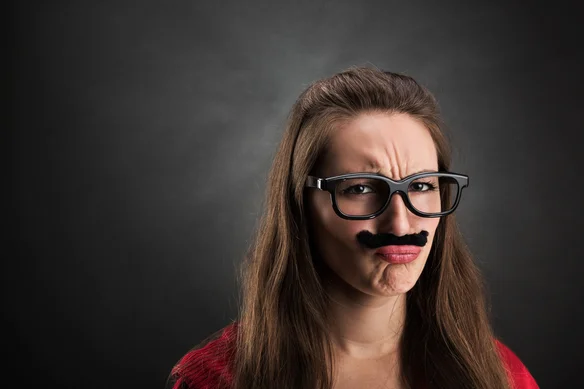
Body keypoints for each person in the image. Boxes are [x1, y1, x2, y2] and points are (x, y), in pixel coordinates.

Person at [165, 66, 539, 389]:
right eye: (360, 188)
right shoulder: (216, 380)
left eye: (422, 186)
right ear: (300, 203)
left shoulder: (499, 375)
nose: (401, 221)